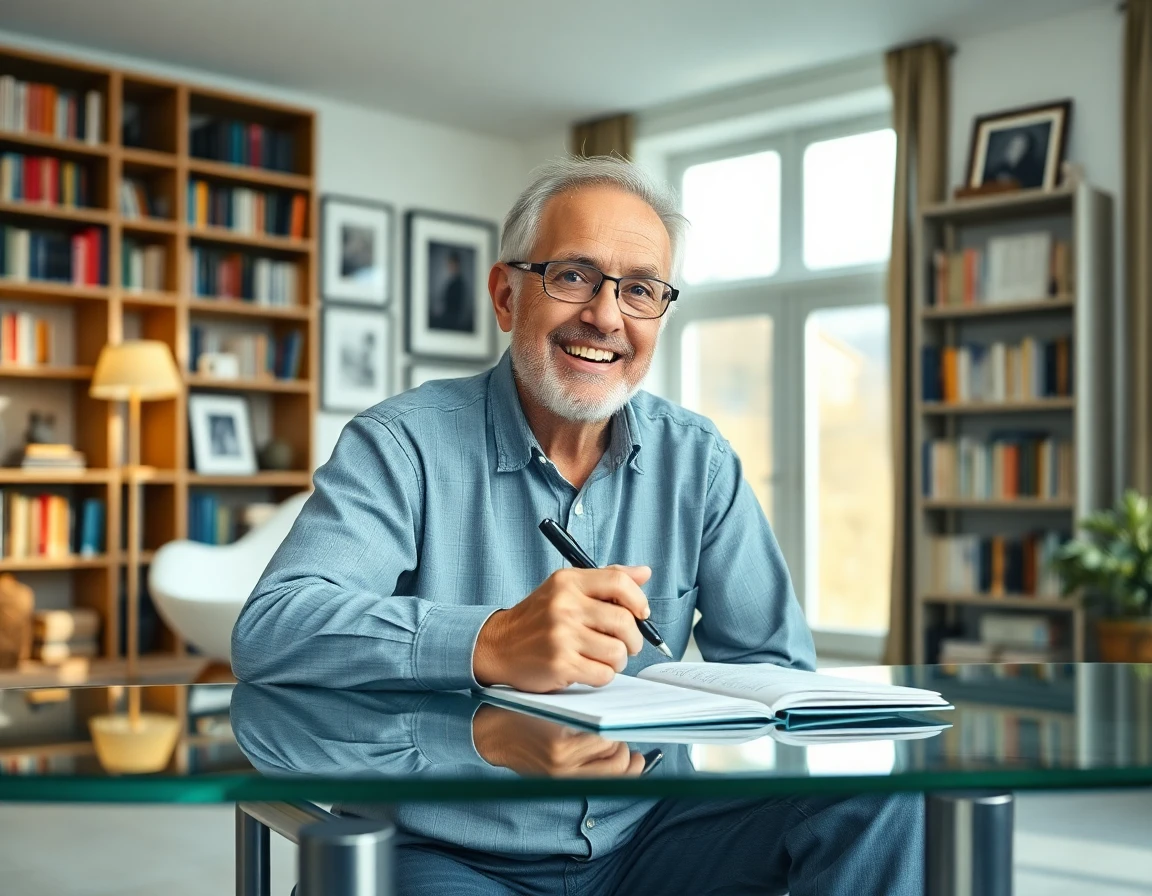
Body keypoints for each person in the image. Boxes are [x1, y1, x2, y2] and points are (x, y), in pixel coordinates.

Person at [231, 155, 923, 895]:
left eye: (641, 290)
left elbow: (777, 677)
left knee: (886, 800)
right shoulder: (401, 443)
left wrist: (691, 713)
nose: (606, 315)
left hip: (657, 830)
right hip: (443, 845)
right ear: (506, 295)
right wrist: (489, 642)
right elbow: (274, 627)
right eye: (573, 276)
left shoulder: (701, 461)